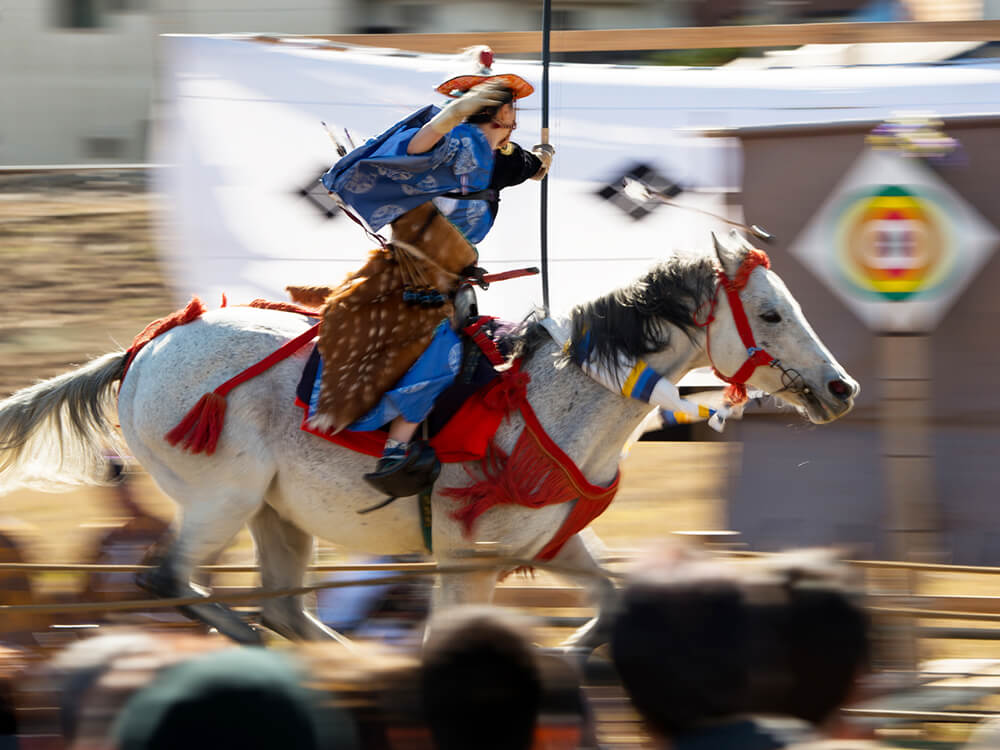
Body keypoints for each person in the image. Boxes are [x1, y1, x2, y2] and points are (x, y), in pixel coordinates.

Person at [303, 51, 553, 497]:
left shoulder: (500, 155)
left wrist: (543, 157)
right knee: (441, 358)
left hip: (451, 279)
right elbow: (419, 144)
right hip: (414, 278)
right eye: (507, 112)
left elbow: (530, 167)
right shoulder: (456, 141)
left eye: (513, 115)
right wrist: (455, 113)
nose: (513, 122)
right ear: (487, 113)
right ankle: (395, 451)